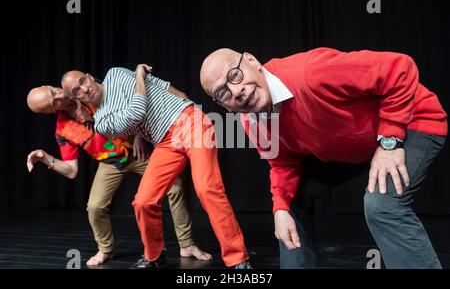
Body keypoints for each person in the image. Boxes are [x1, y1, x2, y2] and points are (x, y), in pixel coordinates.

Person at [200, 47, 448, 269]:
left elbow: (399, 68)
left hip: (412, 122)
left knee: (382, 206)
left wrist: (390, 141)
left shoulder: (310, 74)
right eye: (223, 92)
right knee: (292, 196)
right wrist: (280, 209)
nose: (236, 91)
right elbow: (283, 163)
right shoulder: (251, 121)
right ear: (224, 106)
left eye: (235, 75)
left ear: (253, 62)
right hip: (357, 145)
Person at [61, 66, 251, 269]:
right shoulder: (102, 121)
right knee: (143, 201)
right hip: (165, 141)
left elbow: (161, 86)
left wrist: (189, 104)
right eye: (77, 91)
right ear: (77, 99)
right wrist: (140, 75)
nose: (85, 89)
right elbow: (136, 113)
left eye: (82, 82)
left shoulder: (114, 73)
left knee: (207, 188)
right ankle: (155, 256)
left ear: (89, 77)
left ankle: (238, 259)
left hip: (189, 122)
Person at [26, 85, 212, 267]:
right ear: (50, 112)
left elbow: (135, 103)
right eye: (54, 101)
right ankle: (105, 249)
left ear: (50, 85)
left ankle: (186, 244)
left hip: (137, 153)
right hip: (109, 163)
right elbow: (71, 170)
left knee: (175, 187)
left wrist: (140, 135)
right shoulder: (63, 130)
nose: (60, 95)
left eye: (54, 91)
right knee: (95, 207)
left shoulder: (86, 90)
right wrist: (46, 159)